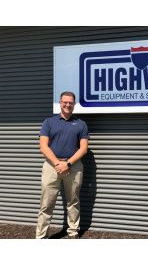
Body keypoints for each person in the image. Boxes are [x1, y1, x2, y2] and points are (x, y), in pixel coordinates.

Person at [36, 91, 89, 239]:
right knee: (46, 203)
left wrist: (69, 163)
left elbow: (84, 148)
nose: (67, 105)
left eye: (70, 102)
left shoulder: (81, 124)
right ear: (60, 103)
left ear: (74, 104)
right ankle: (41, 236)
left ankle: (73, 232)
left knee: (73, 201)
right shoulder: (49, 122)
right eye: (65, 102)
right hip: (51, 166)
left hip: (74, 166)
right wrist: (58, 163)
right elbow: (43, 146)